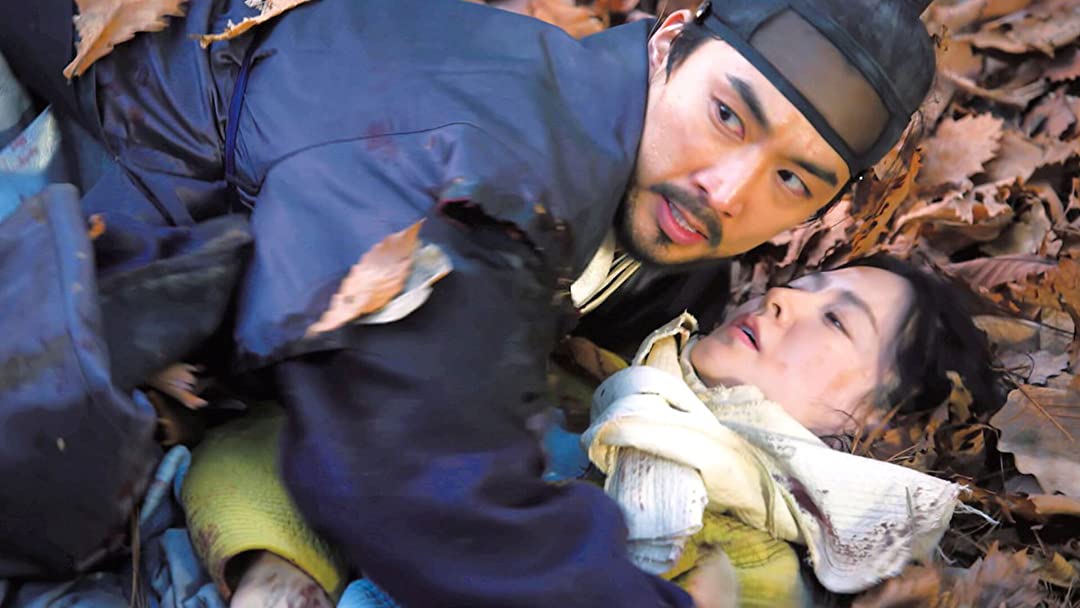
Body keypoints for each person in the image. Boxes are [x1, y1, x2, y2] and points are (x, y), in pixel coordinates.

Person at [0, 0, 937, 605]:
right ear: (667, 42)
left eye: (792, 181)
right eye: (729, 115)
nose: (729, 191)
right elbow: (408, 481)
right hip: (92, 134)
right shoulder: (505, 164)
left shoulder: (658, 210)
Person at [179, 255, 999, 607]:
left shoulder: (759, 571)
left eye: (837, 320)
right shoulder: (582, 387)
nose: (783, 298)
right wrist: (274, 569)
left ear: (882, 431)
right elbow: (292, 432)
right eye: (806, 282)